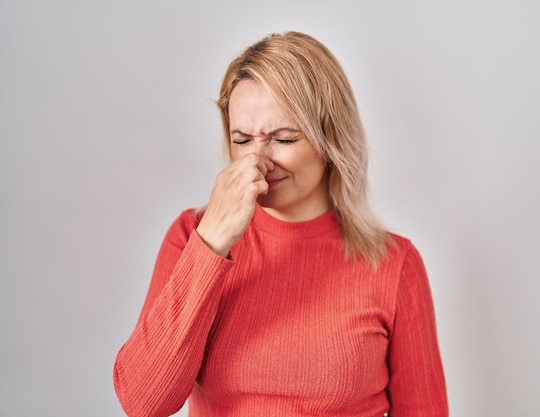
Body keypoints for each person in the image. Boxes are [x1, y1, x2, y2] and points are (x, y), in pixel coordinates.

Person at [113, 31, 448, 417]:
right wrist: (212, 244)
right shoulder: (191, 237)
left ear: (330, 139)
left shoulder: (393, 264)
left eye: (283, 138)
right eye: (241, 139)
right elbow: (143, 403)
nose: (258, 160)